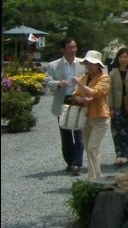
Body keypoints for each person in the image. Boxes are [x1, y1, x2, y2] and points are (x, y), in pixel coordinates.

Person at [44, 38, 86, 174]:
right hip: (63, 100)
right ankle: (69, 161)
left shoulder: (82, 63)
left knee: (79, 132)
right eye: (69, 48)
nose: (72, 50)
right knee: (66, 132)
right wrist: (57, 83)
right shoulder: (54, 65)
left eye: (74, 47)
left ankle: (77, 163)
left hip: (78, 100)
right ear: (63, 49)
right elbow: (47, 80)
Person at [70, 50, 111, 180]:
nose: (89, 66)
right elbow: (75, 95)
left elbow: (95, 92)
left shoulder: (104, 78)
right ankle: (95, 177)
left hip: (100, 116)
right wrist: (81, 100)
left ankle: (94, 178)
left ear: (99, 65)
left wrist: (79, 84)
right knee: (89, 148)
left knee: (92, 147)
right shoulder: (84, 77)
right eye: (87, 63)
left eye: (92, 63)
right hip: (86, 116)